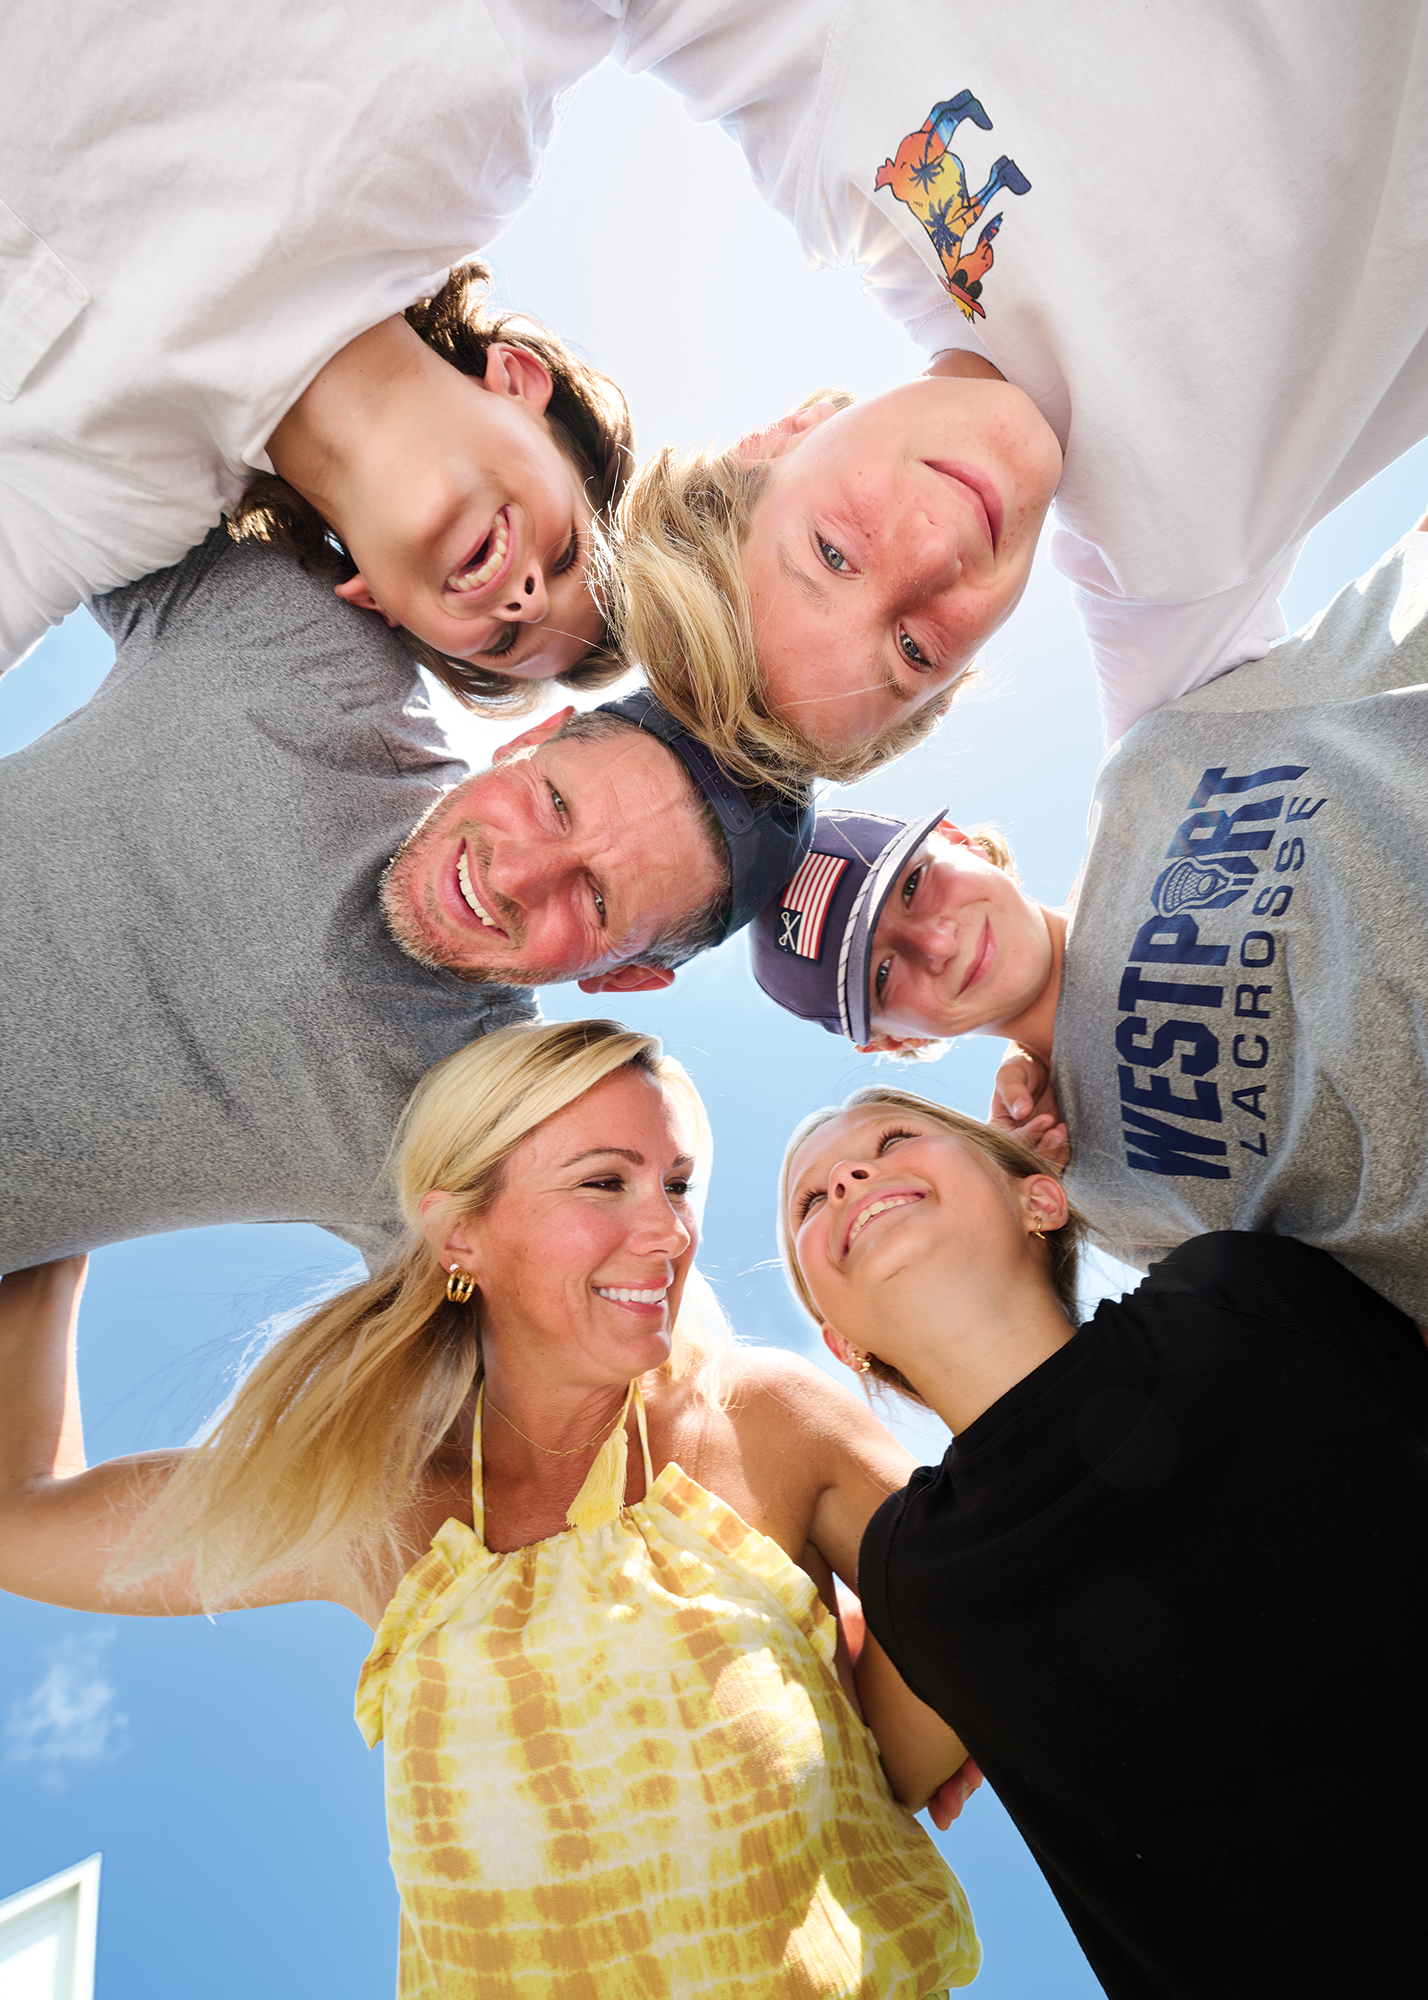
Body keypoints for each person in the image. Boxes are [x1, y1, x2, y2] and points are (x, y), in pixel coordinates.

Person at [0, 1020, 980, 1997]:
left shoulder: (766, 1417)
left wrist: (927, 1676)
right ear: (459, 1230)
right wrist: (66, 1181)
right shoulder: (373, 1510)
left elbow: (972, 1624)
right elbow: (16, 1519)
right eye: (607, 1181)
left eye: (677, 1184)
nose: (672, 1231)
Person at [610, 0, 1428, 784]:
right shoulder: (1171, 578)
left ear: (783, 436)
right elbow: (1181, 821)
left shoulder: (833, 116)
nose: (934, 552)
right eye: (914, 652)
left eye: (833, 553)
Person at [0, 531, 810, 1272]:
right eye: (556, 803)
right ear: (532, 737)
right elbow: (92, 436)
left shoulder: (469, 1120)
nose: (516, 874)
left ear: (622, 979)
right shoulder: (311, 655)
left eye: (595, 898)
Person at [779, 1085, 1428, 1996]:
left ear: (1037, 1199)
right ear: (841, 1340)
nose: (849, 1176)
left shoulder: (1238, 1292)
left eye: (894, 1141)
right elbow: (836, 1777)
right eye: (811, 1201)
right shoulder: (912, 1575)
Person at [752, 515, 1428, 1325]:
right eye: (884, 972)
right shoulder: (1083, 1187)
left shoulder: (1148, 769)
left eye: (912, 887)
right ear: (893, 1041)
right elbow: (1346, 1332)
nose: (935, 940)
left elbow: (1399, 608)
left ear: (960, 840)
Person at [0, 4, 635, 695]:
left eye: (505, 643)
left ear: (379, 606)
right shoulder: (471, 126)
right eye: (569, 552)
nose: (527, 602)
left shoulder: (116, 504)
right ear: (518, 380)